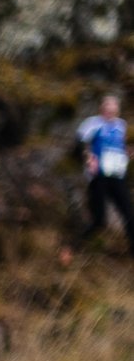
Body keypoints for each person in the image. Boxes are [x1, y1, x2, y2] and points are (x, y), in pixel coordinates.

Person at [67, 94, 134, 262]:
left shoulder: (121, 126)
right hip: (99, 177)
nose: (111, 110)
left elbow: (119, 146)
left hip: (117, 176)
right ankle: (72, 247)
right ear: (102, 108)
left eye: (114, 107)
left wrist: (127, 152)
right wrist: (87, 157)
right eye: (107, 106)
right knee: (100, 221)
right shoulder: (93, 123)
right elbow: (79, 143)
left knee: (129, 215)